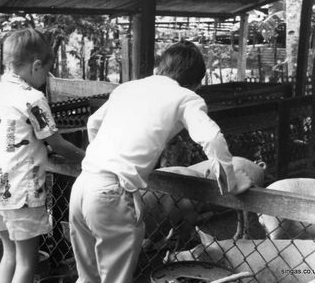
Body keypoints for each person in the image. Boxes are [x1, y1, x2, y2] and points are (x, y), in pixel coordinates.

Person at [69, 40, 253, 283]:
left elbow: (93, 123)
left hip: (82, 186)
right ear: (196, 84)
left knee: (87, 278)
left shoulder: (127, 88)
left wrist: (104, 160)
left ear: (161, 67)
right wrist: (231, 181)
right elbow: (212, 137)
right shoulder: (185, 96)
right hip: (109, 195)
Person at [0, 28, 85, 283]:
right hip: (20, 193)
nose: (45, 79)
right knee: (28, 261)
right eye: (46, 72)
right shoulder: (33, 98)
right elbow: (57, 144)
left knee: (9, 255)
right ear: (36, 66)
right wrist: (87, 157)